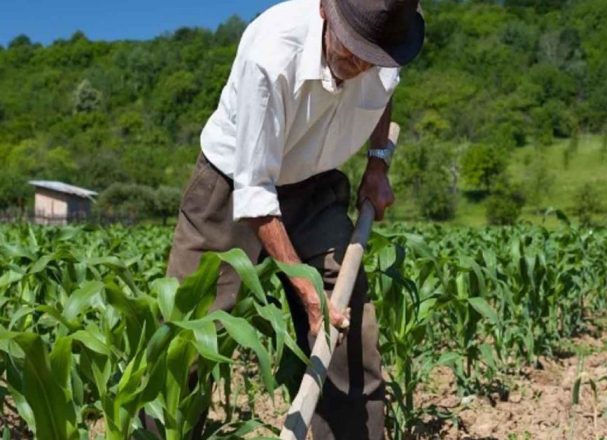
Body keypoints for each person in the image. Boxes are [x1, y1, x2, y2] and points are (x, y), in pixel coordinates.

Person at [155, 0, 425, 438]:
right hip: (233, 185)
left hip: (315, 184)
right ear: (325, 9)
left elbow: (384, 93)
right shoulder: (270, 53)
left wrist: (377, 165)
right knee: (187, 338)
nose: (359, 64)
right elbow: (256, 194)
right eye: (351, 48)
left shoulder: (392, 31)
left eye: (371, 56)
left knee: (347, 331)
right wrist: (307, 294)